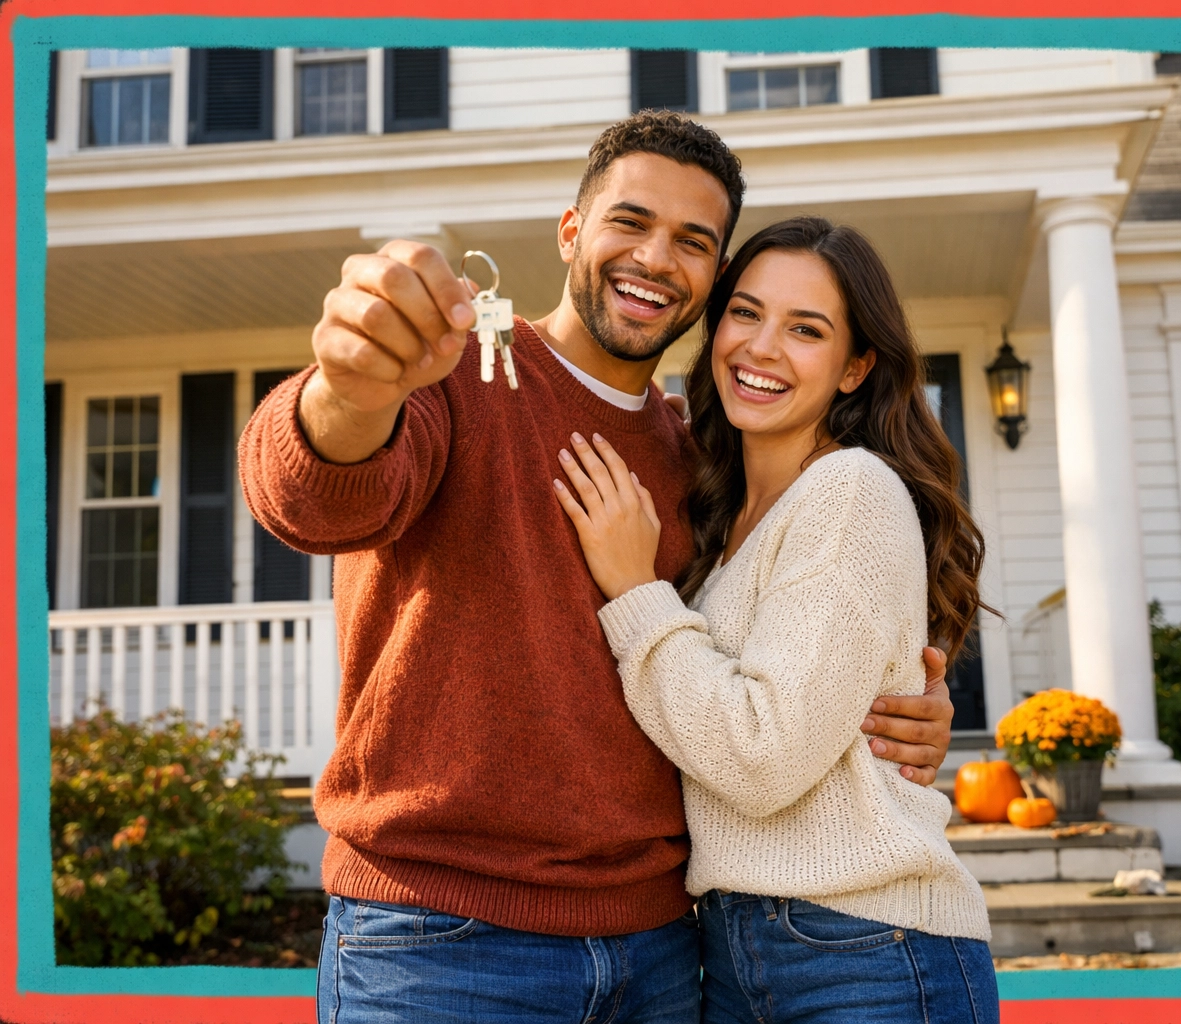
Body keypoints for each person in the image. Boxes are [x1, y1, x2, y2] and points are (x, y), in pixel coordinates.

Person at [239, 112, 958, 1023]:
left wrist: (888, 706)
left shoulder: (702, 463)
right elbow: (313, 499)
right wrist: (348, 391)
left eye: (693, 242)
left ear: (712, 277)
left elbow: (755, 664)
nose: (656, 258)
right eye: (630, 221)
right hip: (439, 942)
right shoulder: (456, 374)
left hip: (663, 956)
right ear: (571, 230)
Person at [552, 217, 1000, 1024]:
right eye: (746, 313)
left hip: (866, 950)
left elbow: (762, 758)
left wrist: (634, 591)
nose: (761, 348)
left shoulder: (850, 490)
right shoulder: (720, 514)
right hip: (735, 952)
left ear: (856, 367)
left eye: (806, 330)